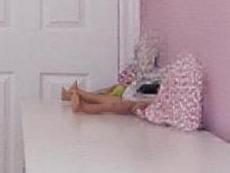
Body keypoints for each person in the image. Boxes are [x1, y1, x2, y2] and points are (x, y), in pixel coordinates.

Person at [64, 53, 204, 132]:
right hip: (135, 99)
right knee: (111, 98)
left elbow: (156, 108)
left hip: (137, 104)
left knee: (115, 103)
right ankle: (80, 96)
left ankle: (83, 102)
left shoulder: (176, 107)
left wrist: (143, 105)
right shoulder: (163, 87)